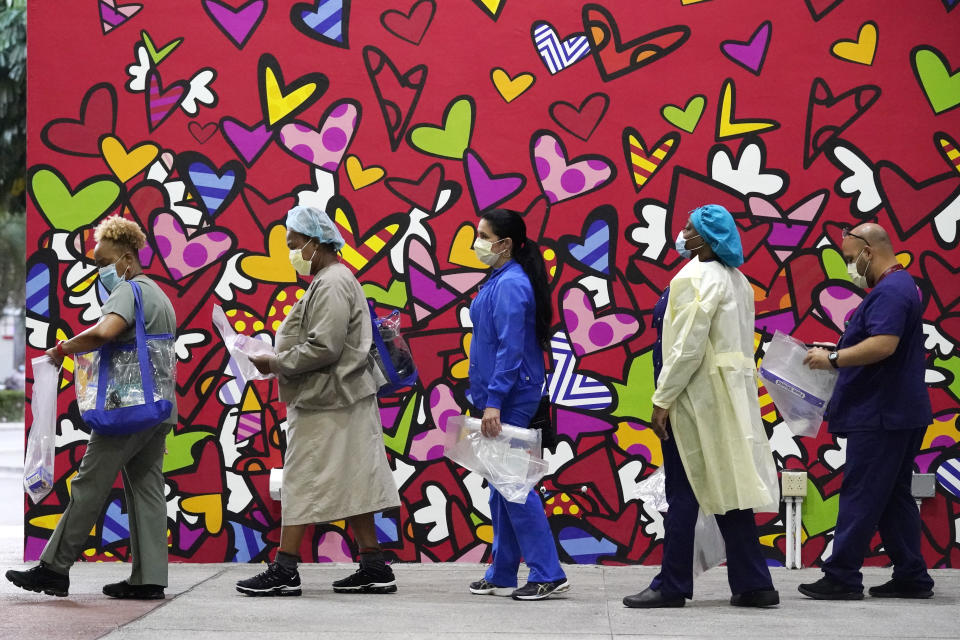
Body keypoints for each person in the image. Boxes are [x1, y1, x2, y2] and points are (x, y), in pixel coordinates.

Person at [5, 215, 177, 599]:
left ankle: (53, 568)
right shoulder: (158, 295)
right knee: (147, 487)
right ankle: (149, 578)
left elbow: (105, 332)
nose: (99, 270)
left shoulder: (128, 290)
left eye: (103, 262)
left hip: (125, 410)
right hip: (160, 408)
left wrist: (62, 348)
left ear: (127, 260)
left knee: (88, 484)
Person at [235, 205, 400, 597]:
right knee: (353, 480)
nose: (292, 253)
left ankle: (284, 569)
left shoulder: (330, 283)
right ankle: (374, 565)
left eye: (295, 244)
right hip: (340, 398)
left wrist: (274, 362)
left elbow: (324, 347)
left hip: (328, 400)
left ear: (314, 242)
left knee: (300, 479)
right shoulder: (335, 279)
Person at [623, 205, 780, 609]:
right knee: (731, 489)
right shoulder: (738, 281)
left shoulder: (694, 278)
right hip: (731, 397)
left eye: (690, 230)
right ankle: (754, 583)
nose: (682, 234)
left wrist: (663, 398)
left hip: (696, 398)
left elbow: (685, 347)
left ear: (707, 238)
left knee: (683, 490)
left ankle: (672, 584)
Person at [798, 223, 934, 600]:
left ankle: (841, 576)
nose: (848, 266)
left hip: (881, 414)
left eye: (848, 258)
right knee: (892, 496)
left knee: (861, 494)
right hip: (899, 411)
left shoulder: (890, 291)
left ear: (868, 251)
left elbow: (884, 345)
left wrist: (834, 358)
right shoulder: (899, 287)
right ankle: (912, 576)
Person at [465, 209, 570, 601]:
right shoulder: (499, 278)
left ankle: (548, 572)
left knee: (513, 485)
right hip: (504, 395)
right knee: (500, 485)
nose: (477, 242)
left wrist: (494, 402)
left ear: (504, 244)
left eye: (482, 235)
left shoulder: (511, 285)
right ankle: (503, 571)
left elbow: (511, 348)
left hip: (511, 397)